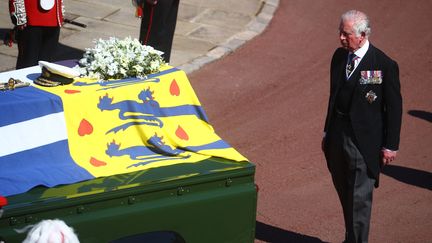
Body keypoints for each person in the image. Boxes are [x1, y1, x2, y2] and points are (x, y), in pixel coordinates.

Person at [322, 10, 402, 243]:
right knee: (345, 192)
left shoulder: (384, 65)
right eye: (340, 32)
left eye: (346, 34)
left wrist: (390, 145)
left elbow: (394, 107)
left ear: (363, 35)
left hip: (364, 142)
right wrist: (327, 131)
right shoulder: (339, 57)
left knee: (359, 199)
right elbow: (333, 96)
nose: (341, 38)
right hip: (338, 135)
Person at [8, 0, 64, 69]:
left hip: (54, 18)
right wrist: (17, 12)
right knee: (28, 64)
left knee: (46, 65)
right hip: (30, 18)